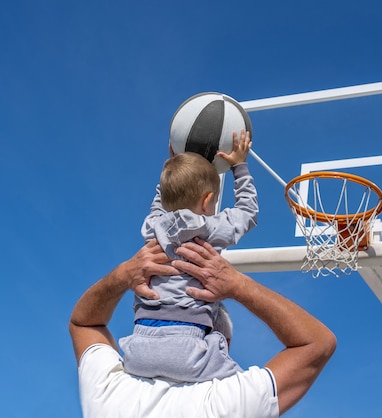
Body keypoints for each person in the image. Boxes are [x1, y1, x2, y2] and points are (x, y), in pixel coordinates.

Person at [69, 239, 337, 418]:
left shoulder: (112, 392)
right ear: (223, 344)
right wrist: (237, 286)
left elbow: (84, 323)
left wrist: (123, 275)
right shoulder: (225, 403)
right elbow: (317, 343)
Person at [119, 129, 258, 382]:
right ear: (207, 201)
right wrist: (240, 167)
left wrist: (171, 168)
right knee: (244, 386)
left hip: (137, 349)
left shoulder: (153, 226)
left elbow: (159, 203)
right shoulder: (210, 228)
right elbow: (248, 212)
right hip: (188, 349)